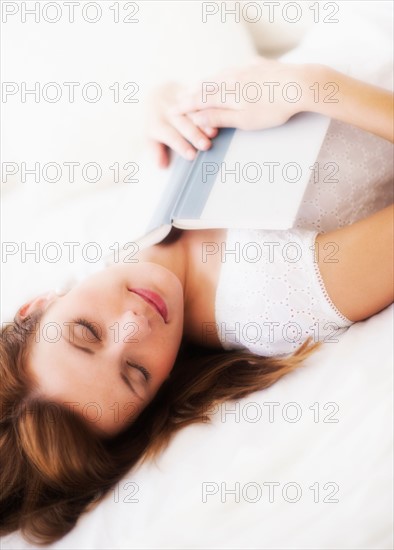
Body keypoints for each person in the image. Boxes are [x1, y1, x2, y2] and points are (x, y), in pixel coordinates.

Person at [1, 57, 393, 544]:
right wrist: (314, 89)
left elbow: (191, 94)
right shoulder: (272, 297)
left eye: (87, 332)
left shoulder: (108, 247)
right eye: (135, 372)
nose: (135, 325)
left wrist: (165, 103)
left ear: (36, 305)